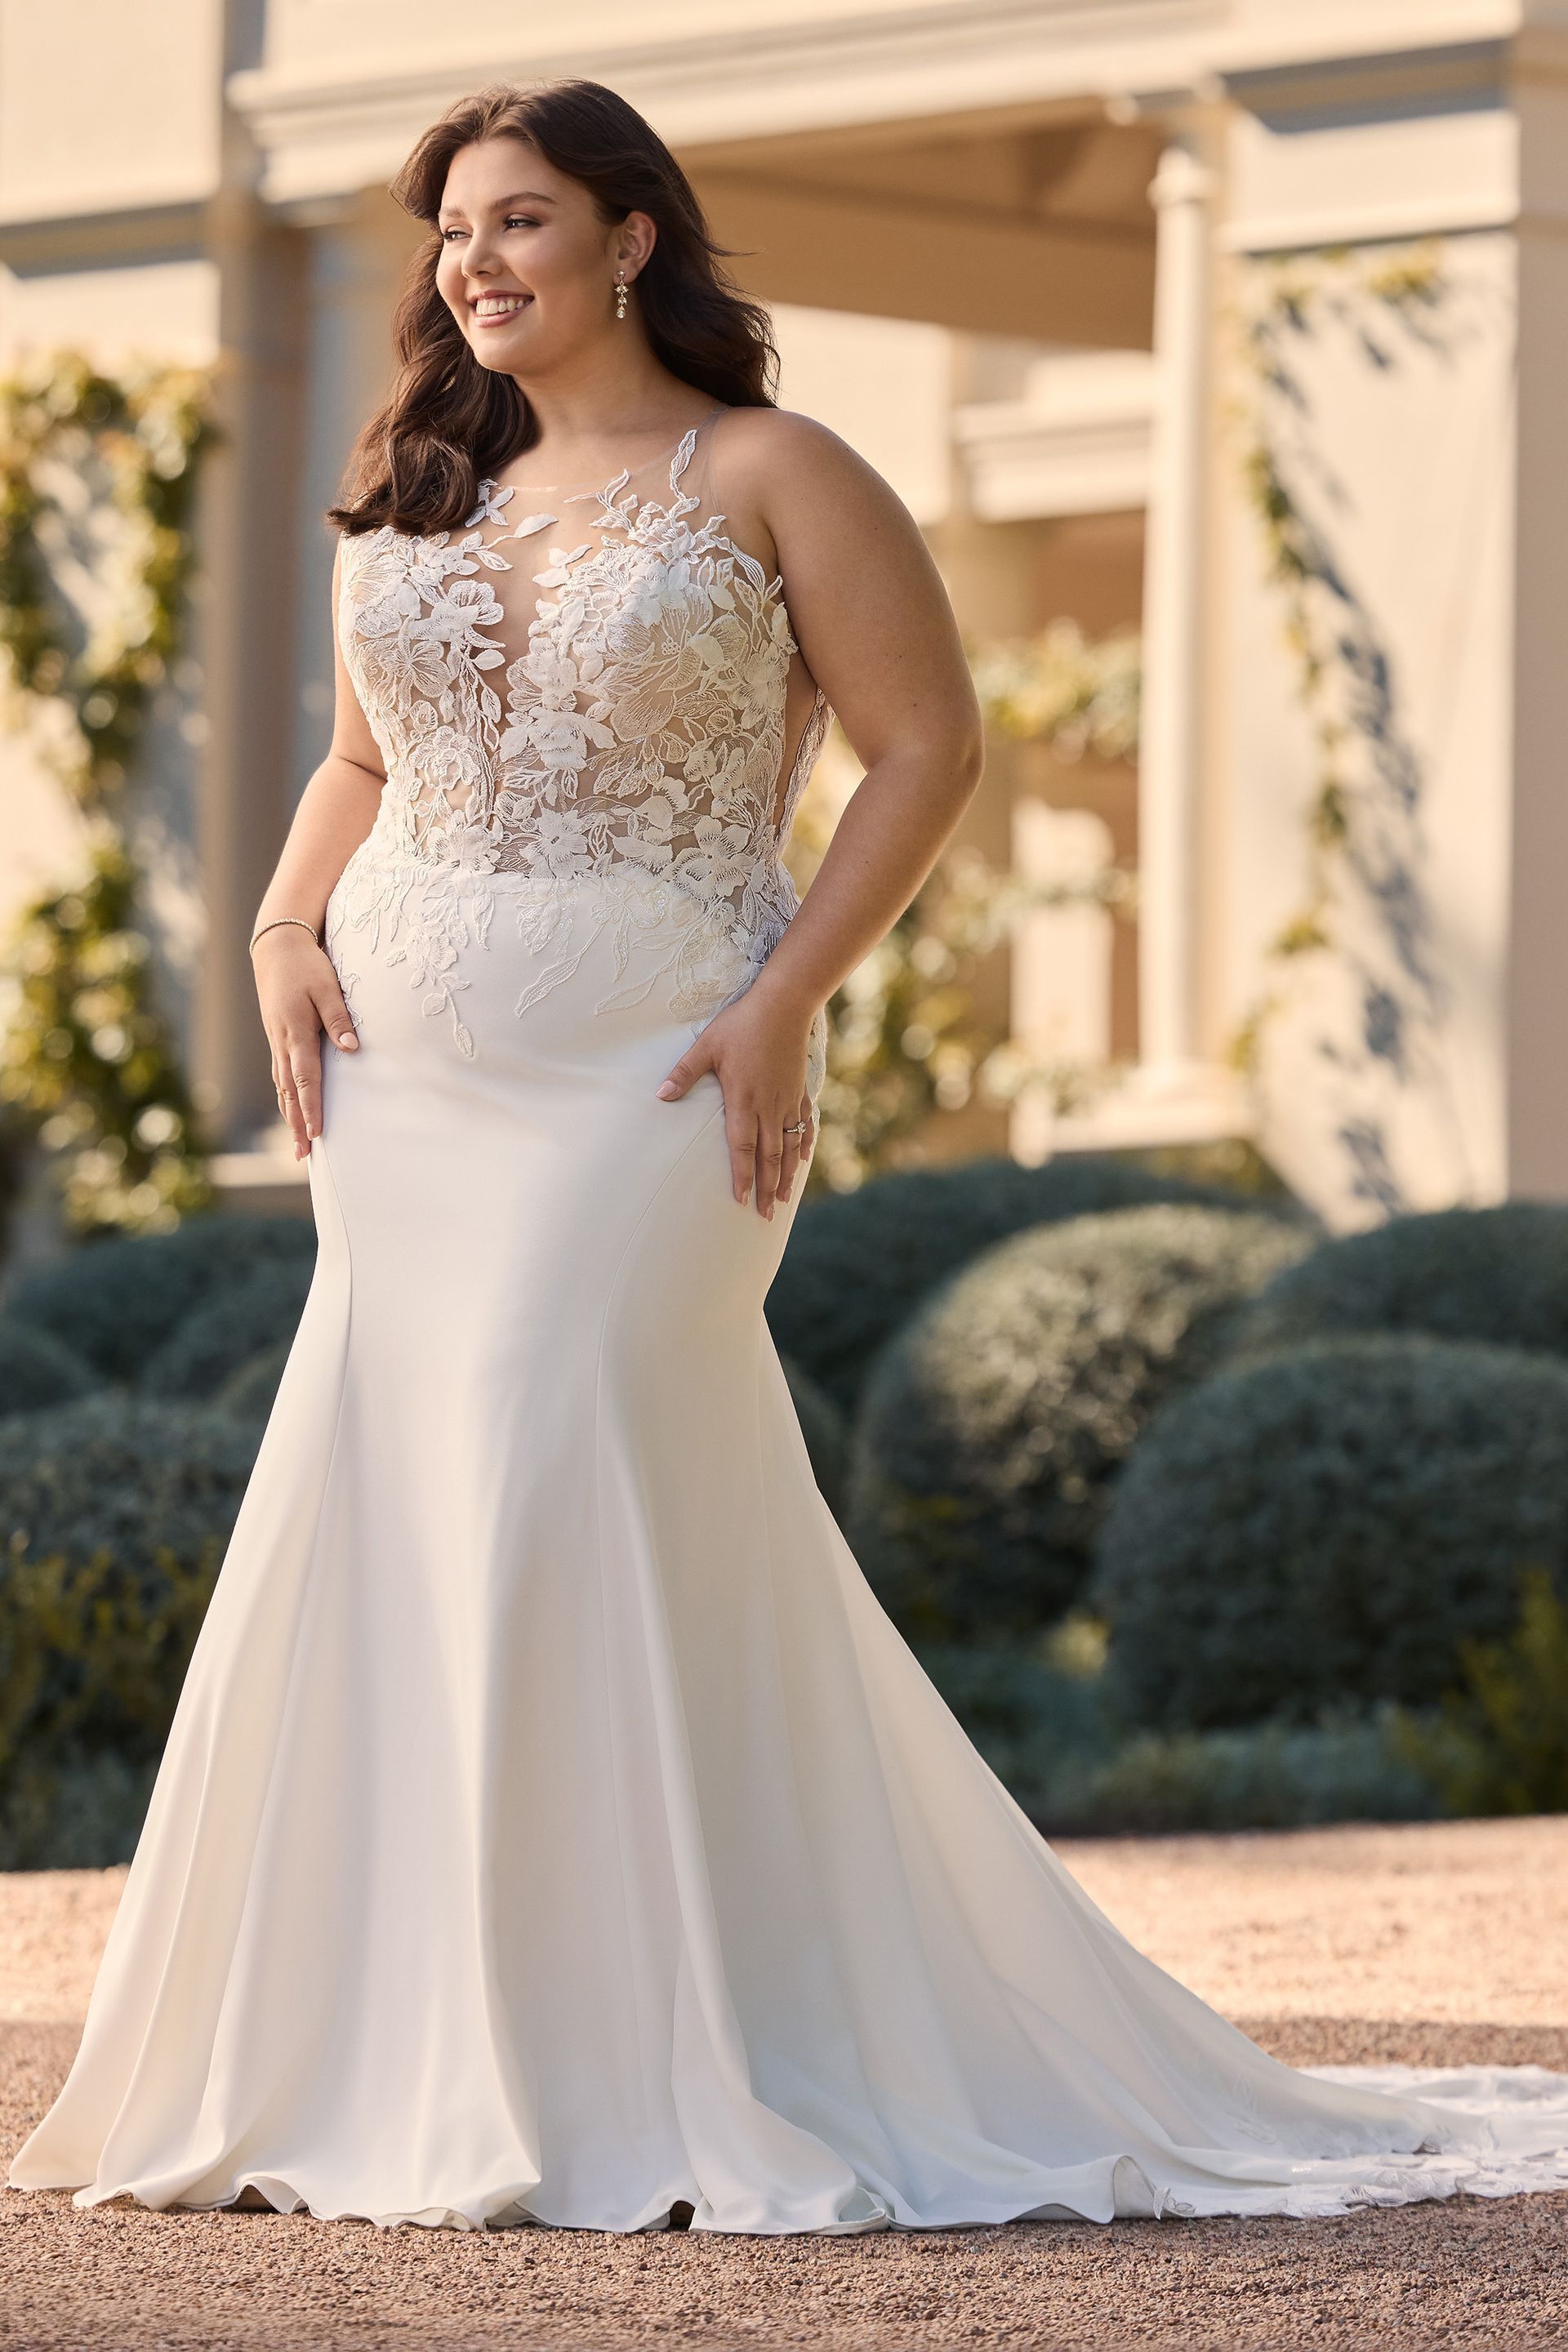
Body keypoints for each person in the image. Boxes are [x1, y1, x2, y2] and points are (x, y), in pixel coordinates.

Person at [9, 78, 1566, 2238]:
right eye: (453, 227)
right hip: (408, 1095)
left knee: (573, 1467)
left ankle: (668, 2050)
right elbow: (359, 755)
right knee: (426, 1507)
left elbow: (928, 748)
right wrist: (280, 924)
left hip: (660, 1073)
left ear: (634, 235)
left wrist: (784, 998)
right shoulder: (414, 483)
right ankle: (427, 2050)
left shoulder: (771, 469)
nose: (474, 259)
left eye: (521, 217)